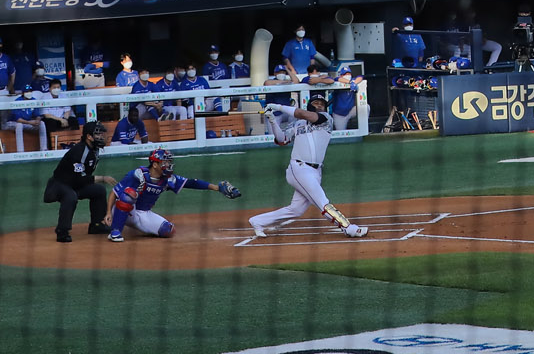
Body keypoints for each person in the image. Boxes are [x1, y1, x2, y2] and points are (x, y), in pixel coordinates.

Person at [247, 88, 369, 237]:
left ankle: (258, 221)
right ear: (310, 104)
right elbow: (281, 140)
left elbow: (302, 113)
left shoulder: (326, 119)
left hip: (315, 171)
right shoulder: (297, 124)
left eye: (321, 104)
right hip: (299, 168)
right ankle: (349, 228)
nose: (319, 105)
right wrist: (272, 120)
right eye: (315, 102)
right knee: (322, 202)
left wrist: (279, 107)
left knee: (296, 210)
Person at [105, 147, 241, 242]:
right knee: (128, 194)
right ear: (155, 164)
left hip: (143, 213)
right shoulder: (138, 175)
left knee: (168, 231)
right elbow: (114, 192)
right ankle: (115, 231)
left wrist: (217, 188)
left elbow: (191, 183)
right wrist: (108, 213)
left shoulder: (167, 179)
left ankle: (140, 228)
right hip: (125, 209)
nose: (168, 164)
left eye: (169, 161)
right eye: (165, 161)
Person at [44, 120, 114, 243]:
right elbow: (78, 178)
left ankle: (96, 225)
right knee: (70, 196)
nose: (101, 137)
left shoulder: (95, 150)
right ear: (89, 136)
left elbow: (81, 178)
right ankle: (62, 232)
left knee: (99, 190)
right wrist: (102, 178)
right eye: (98, 134)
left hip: (75, 183)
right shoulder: (79, 151)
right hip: (58, 185)